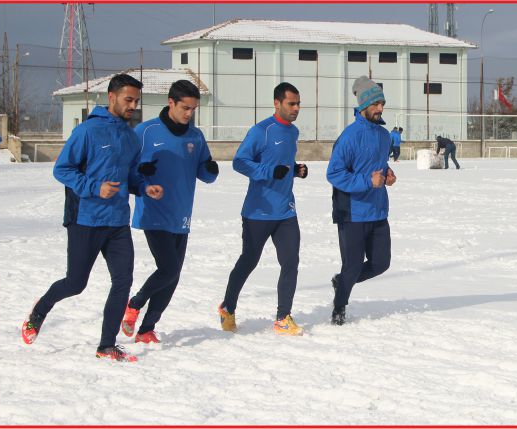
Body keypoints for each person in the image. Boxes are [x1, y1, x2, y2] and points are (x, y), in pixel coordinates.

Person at [21, 74, 164, 362]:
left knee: (122, 282)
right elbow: (62, 169)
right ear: (111, 97)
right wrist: (94, 187)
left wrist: (144, 187)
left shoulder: (130, 137)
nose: (133, 106)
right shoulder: (87, 131)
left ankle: (106, 346)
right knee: (76, 283)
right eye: (128, 99)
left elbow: (131, 175)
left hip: (118, 222)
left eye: (136, 101)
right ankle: (40, 310)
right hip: (85, 219)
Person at [120, 80, 219, 344]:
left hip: (182, 214)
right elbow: (126, 169)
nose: (189, 114)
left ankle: (146, 330)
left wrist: (210, 170)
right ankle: (134, 303)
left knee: (172, 276)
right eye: (185, 108)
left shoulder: (195, 136)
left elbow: (205, 173)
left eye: (193, 109)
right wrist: (141, 171)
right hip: (153, 212)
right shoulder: (145, 131)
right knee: (169, 268)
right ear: (171, 102)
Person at [218, 82, 308, 336]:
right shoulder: (261, 131)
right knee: (249, 261)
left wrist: (295, 169)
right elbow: (240, 162)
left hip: (286, 210)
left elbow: (282, 163)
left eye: (298, 104)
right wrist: (268, 171)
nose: (296, 108)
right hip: (258, 211)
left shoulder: (293, 132)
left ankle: (283, 317)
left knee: (290, 262)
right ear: (277, 103)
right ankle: (227, 307)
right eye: (291, 103)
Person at [326, 75, 396, 325]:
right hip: (352, 211)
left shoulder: (384, 135)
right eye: (376, 103)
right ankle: (339, 307)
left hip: (378, 210)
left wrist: (388, 174)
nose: (380, 108)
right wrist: (368, 181)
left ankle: (341, 281)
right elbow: (334, 173)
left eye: (382, 103)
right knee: (353, 265)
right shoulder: (349, 136)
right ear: (364, 104)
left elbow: (379, 165)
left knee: (381, 263)